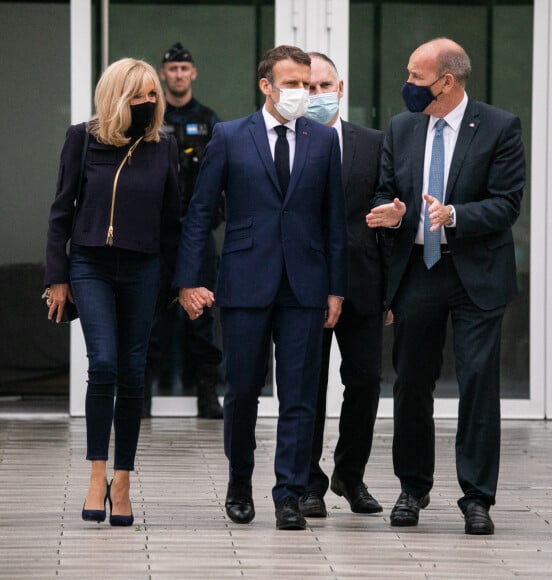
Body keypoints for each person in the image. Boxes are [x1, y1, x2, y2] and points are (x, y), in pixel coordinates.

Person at [174, 45, 347, 530]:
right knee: (243, 390)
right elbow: (201, 214)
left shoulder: (322, 140)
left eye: (308, 83)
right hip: (246, 280)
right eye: (291, 83)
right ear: (266, 86)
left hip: (305, 285)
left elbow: (333, 220)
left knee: (299, 394)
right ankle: (239, 484)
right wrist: (190, 279)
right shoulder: (229, 136)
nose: (302, 93)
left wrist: (336, 288)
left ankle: (289, 495)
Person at [366, 37, 526, 535]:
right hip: (419, 270)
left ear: (447, 82)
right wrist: (393, 212)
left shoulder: (499, 127)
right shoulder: (402, 126)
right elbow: (387, 191)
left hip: (476, 271)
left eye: (416, 77)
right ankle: (412, 488)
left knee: (478, 383)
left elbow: (507, 203)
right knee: (412, 382)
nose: (408, 85)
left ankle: (477, 497)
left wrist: (454, 214)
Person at [44, 58, 180, 526]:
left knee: (132, 372)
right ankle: (95, 474)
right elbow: (61, 210)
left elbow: (171, 222)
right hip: (90, 264)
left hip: (144, 268)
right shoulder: (82, 138)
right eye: (139, 94)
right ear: (117, 96)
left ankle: (122, 480)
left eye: (153, 95)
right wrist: (56, 276)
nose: (149, 102)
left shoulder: (164, 146)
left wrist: (176, 282)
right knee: (102, 364)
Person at [298, 52, 385, 519]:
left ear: (341, 88)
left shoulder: (373, 143)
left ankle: (350, 476)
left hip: (364, 283)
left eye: (323, 86)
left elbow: (387, 210)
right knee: (308, 385)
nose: (315, 95)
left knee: (366, 381)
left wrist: (391, 291)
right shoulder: (291, 141)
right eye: (307, 87)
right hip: (307, 286)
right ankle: (309, 481)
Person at [144, 42, 223, 419]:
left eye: (183, 68)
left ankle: (207, 397)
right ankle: (141, 397)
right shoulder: (151, 119)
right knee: (149, 315)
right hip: (155, 235)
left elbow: (224, 176)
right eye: (172, 68)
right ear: (163, 73)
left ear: (193, 73)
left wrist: (212, 217)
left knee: (202, 315)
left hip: (196, 233)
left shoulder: (209, 119)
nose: (177, 74)